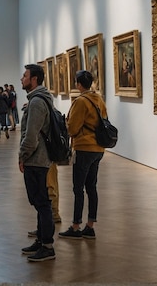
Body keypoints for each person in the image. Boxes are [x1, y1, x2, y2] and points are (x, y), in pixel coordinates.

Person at [59, 70, 107, 240]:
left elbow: (72, 128)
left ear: (79, 84)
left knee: (78, 188)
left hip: (84, 147)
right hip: (98, 149)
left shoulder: (80, 101)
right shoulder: (99, 99)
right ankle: (90, 225)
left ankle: (76, 225)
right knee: (91, 187)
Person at [18, 63, 56, 262]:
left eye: (25, 76)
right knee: (40, 202)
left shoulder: (36, 102)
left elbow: (31, 136)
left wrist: (22, 156)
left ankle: (47, 246)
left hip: (36, 159)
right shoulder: (41, 99)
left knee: (41, 202)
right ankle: (41, 240)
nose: (22, 79)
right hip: (39, 158)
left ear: (34, 79)